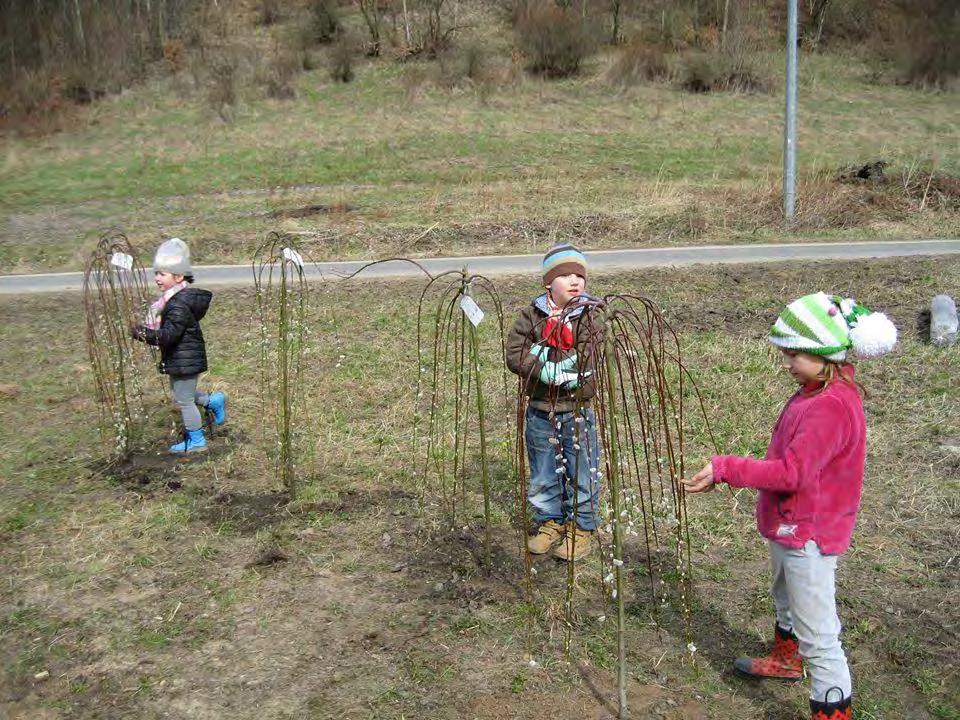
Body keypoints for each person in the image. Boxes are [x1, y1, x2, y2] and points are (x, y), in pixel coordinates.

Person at [682, 291, 897, 720]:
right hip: (790, 525)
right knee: (785, 595)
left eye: (794, 354)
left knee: (819, 631)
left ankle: (832, 711)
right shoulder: (815, 390)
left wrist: (727, 467)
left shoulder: (830, 406)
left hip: (810, 532)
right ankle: (785, 658)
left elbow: (792, 474)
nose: (787, 363)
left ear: (824, 353)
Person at [506, 243, 603, 562]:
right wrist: (544, 370)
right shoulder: (531, 315)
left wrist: (577, 376)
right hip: (539, 410)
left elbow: (595, 356)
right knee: (544, 471)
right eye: (566, 275)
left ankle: (582, 526)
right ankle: (550, 522)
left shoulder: (589, 316)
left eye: (580, 275)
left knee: (582, 471)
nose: (575, 281)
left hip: (576, 410)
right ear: (549, 282)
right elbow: (515, 353)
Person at [131, 238, 226, 454]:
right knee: (182, 392)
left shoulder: (177, 305)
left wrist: (141, 333)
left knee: (184, 400)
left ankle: (196, 440)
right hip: (181, 357)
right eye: (156, 273)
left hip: (185, 358)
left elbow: (168, 336)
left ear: (179, 276)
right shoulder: (171, 301)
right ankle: (214, 401)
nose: (157, 278)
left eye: (162, 274)